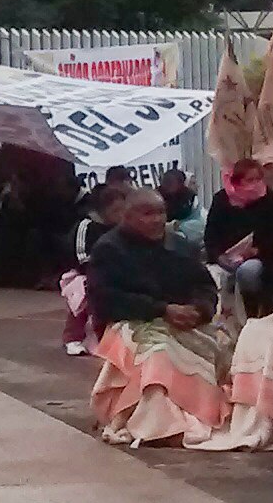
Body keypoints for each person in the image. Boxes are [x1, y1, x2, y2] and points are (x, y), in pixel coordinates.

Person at [86, 189, 230, 445]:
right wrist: (161, 309)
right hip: (130, 323)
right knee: (157, 355)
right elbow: (106, 299)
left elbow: (204, 286)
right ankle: (158, 424)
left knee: (225, 350)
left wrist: (199, 309)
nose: (156, 220)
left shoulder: (180, 245)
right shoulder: (108, 250)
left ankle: (200, 412)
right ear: (127, 217)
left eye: (161, 212)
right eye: (147, 213)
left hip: (185, 321)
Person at [204, 157, 273, 316]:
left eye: (258, 179)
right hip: (225, 259)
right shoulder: (222, 200)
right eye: (250, 180)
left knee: (248, 272)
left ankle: (252, 312)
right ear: (238, 181)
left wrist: (256, 251)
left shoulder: (270, 199)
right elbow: (211, 235)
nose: (255, 184)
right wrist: (219, 256)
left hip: (258, 259)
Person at [59, 184, 124, 354]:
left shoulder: (121, 230)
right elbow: (81, 256)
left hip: (112, 274)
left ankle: (106, 337)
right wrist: (98, 273)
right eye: (116, 210)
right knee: (84, 296)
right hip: (81, 275)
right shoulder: (85, 227)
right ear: (103, 210)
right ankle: (73, 337)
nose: (121, 215)